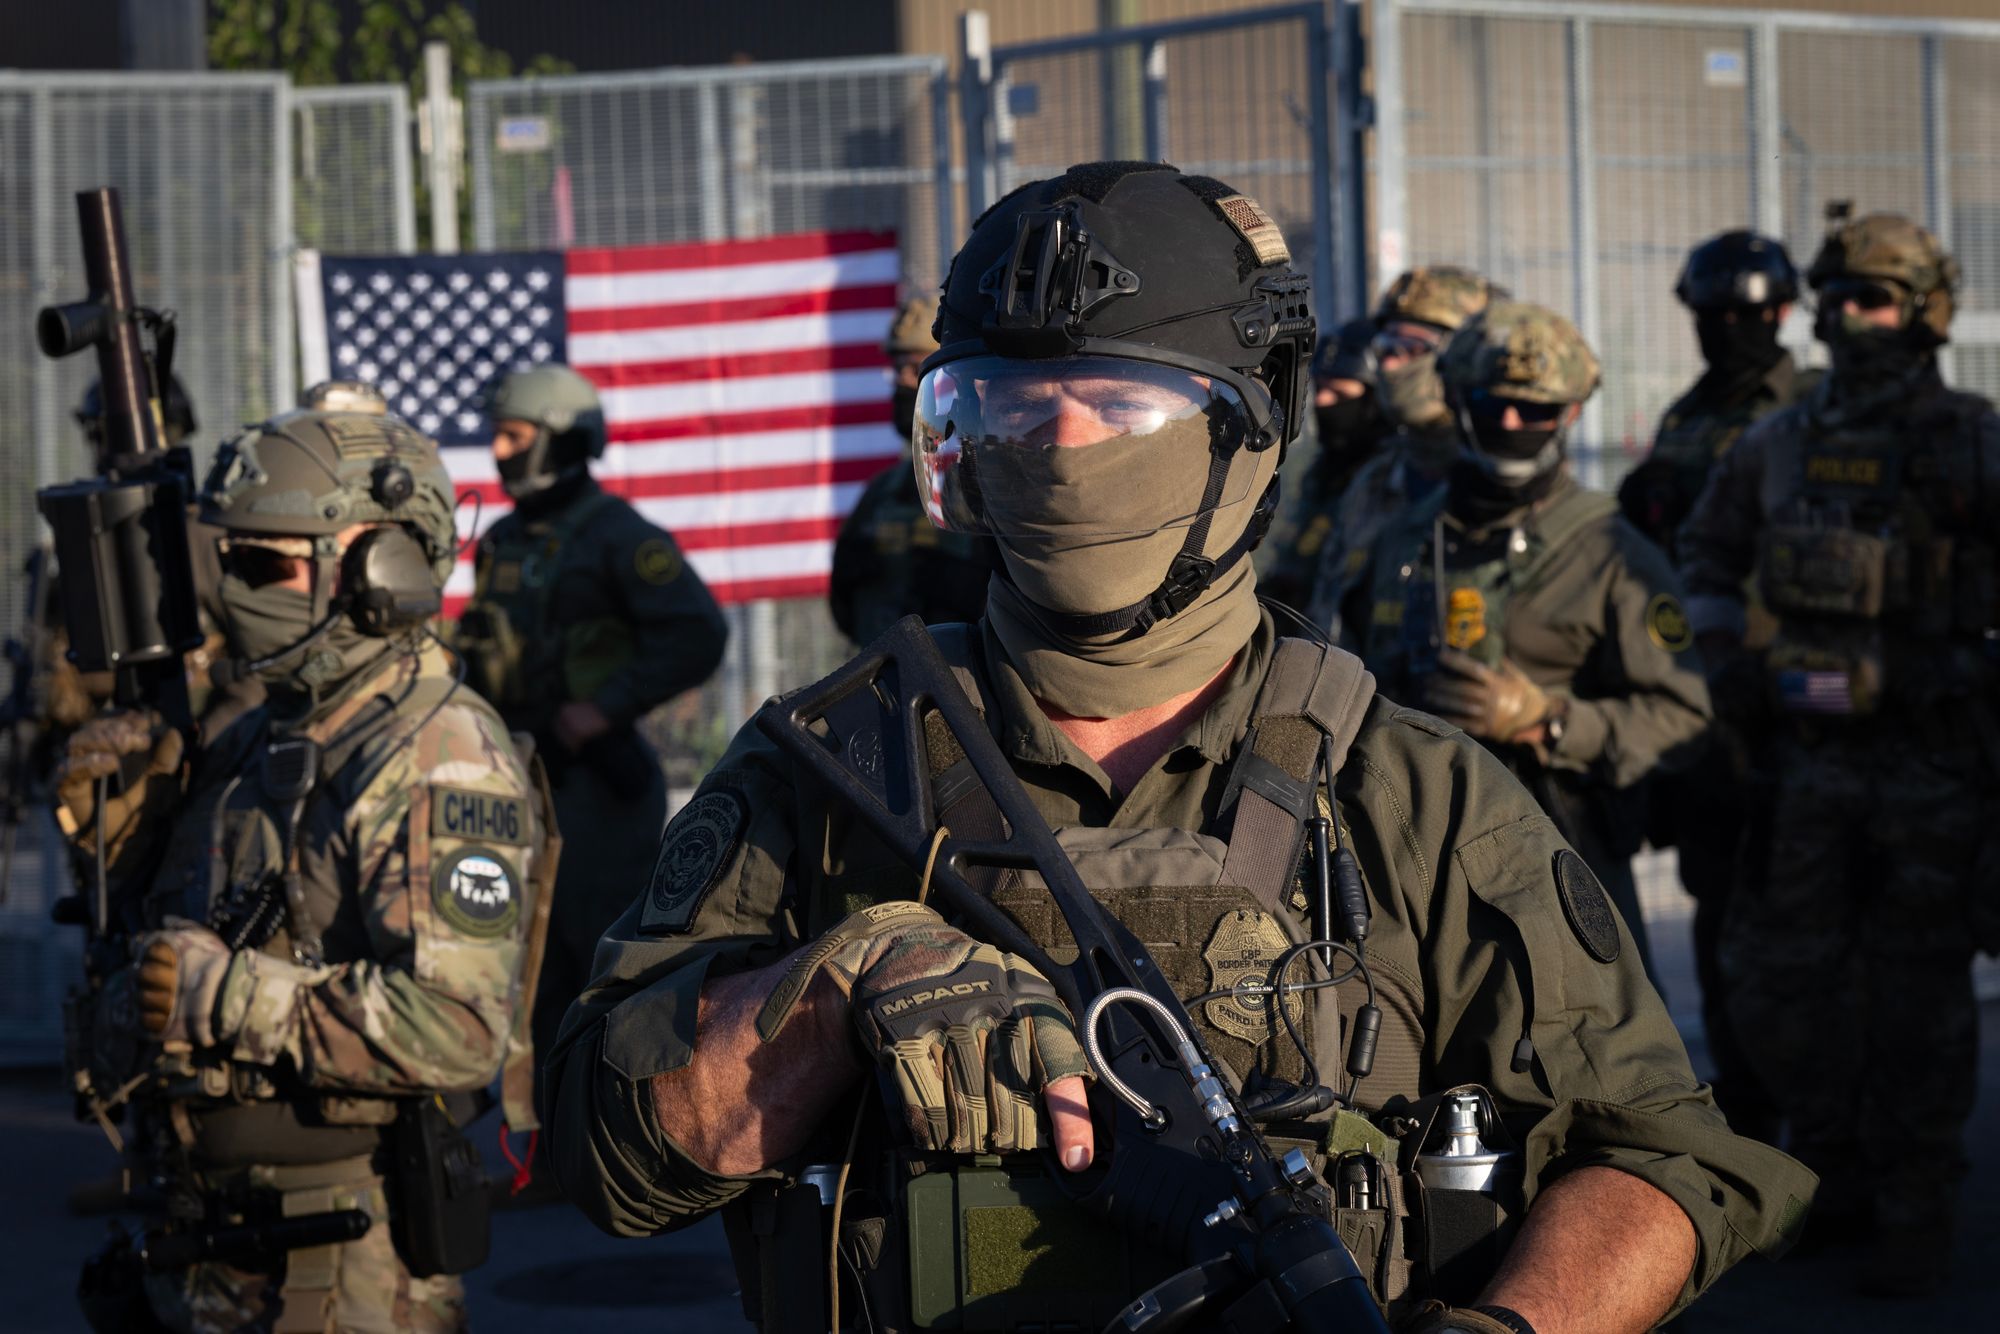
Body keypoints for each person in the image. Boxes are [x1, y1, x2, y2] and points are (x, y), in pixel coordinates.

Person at [546, 163, 1810, 1334]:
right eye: (1010, 406)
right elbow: (604, 1144)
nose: (1062, 448)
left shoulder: (1412, 791)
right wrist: (830, 991)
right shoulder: (822, 768)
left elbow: (1661, 1154)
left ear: (1250, 426)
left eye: (1113, 400)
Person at [55, 408, 551, 1331]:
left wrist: (226, 997)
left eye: (262, 565)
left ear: (384, 568)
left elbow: (456, 1028)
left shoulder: (438, 748)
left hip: (342, 1263)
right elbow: (158, 969)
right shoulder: (256, 737)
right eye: (230, 562)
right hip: (203, 1233)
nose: (234, 592)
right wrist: (122, 843)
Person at [1678, 210, 1999, 1296]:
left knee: (1915, 994)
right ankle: (1830, 1171)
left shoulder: (1968, 438)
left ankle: (1915, 1200)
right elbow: (1706, 554)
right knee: (1775, 980)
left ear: (1920, 315)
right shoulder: (1776, 442)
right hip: (1801, 764)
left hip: (1931, 765)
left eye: (1870, 300)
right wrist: (1722, 661)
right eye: (1834, 299)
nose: (1845, 320)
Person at [1348, 301, 1711, 978]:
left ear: (1570, 413)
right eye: (1493, 404)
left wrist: (1549, 720)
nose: (1512, 424)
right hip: (1410, 856)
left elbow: (1683, 716)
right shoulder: (1405, 536)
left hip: (1562, 860)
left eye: (1535, 409)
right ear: (1458, 401)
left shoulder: (1611, 551)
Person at [452, 362, 728, 1134]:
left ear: (560, 440)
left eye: (514, 435)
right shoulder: (503, 540)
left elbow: (697, 632)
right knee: (527, 965)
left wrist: (600, 710)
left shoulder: (620, 537)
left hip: (595, 790)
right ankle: (543, 1137)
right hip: (521, 781)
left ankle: (626, 1133)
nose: (500, 451)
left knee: (601, 960)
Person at [1619, 231, 1812, 1143]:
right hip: (1703, 702)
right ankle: (1750, 1103)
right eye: (1714, 317)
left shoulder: (1810, 410)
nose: (1731, 331)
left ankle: (1824, 1122)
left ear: (1782, 314)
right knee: (1720, 902)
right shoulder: (1688, 416)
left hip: (1794, 703)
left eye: (1749, 315)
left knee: (1797, 918)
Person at [1305, 267, 1497, 640]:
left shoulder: (1497, 490)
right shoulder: (1376, 480)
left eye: (1413, 349)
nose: (1391, 366)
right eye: (1386, 349)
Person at [828, 297, 997, 644]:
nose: (902, 382)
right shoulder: (884, 493)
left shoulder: (998, 488)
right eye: (897, 368)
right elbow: (845, 604)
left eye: (915, 367)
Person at [1257, 317, 1387, 612]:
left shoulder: (1392, 481)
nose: (1325, 403)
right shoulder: (1324, 474)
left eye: (1340, 395)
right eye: (1322, 390)